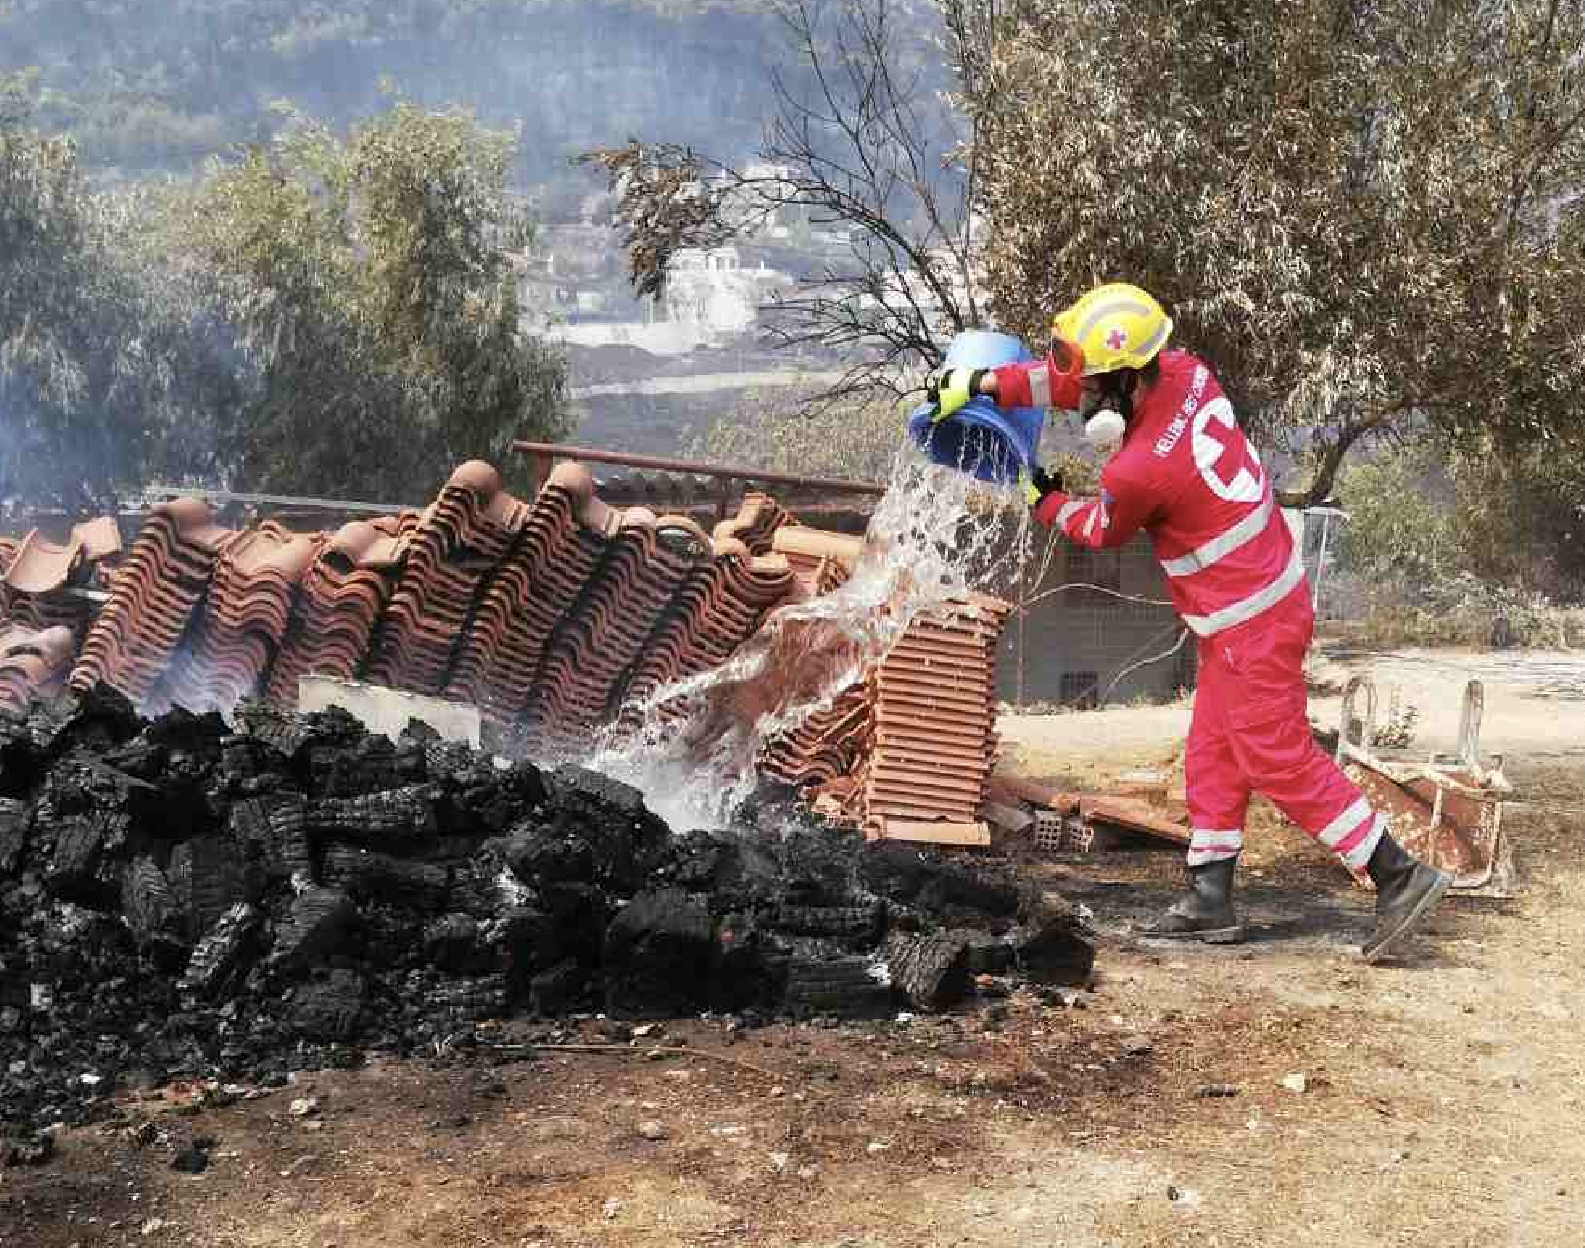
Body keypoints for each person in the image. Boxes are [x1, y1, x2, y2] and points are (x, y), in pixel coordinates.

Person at [927, 283, 1449, 962]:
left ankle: (1398, 874)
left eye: (1094, 386)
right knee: (1213, 750)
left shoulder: (1141, 469)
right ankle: (1209, 897)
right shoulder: (1182, 371)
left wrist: (1041, 497)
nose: (1081, 398)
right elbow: (1067, 381)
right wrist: (981, 383)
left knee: (1276, 757)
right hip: (1250, 608)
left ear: (1122, 382)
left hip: (1252, 623)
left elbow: (1101, 529)